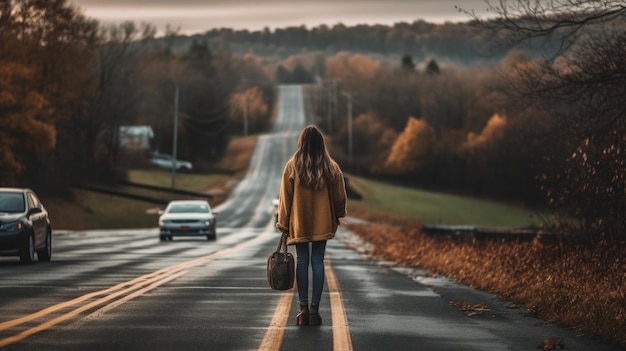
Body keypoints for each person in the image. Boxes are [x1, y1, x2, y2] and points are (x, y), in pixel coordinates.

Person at [276, 125, 347, 326]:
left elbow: (285, 198)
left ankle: (302, 309)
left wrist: (283, 222)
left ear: (301, 143)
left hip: (300, 223)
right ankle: (315, 310)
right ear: (321, 143)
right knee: (317, 262)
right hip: (323, 222)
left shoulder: (292, 165)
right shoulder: (331, 167)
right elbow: (340, 196)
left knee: (301, 262)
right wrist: (338, 214)